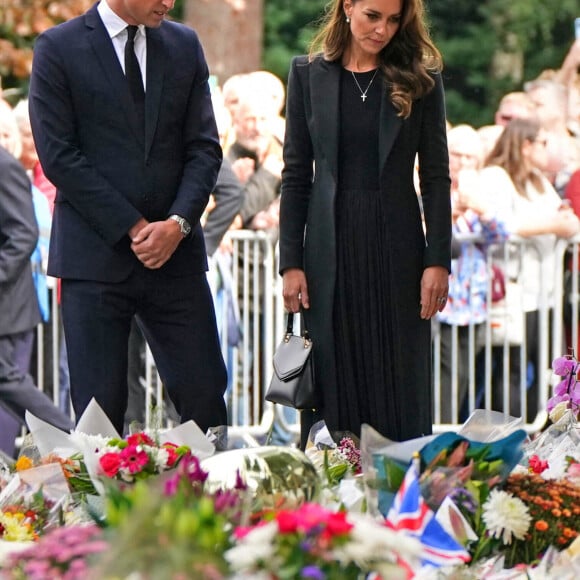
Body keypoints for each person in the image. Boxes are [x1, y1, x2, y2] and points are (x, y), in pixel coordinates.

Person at [28, 0, 228, 446]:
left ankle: (214, 508)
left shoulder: (183, 43)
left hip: (176, 258)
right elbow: (59, 156)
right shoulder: (57, 47)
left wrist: (176, 224)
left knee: (205, 397)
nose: (169, 2)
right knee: (99, 416)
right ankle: (103, 515)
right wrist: (136, 227)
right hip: (94, 259)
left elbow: (204, 147)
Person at [279, 0, 452, 445]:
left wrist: (438, 261)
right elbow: (296, 175)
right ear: (348, 6)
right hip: (328, 250)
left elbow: (435, 178)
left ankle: (401, 492)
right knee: (334, 379)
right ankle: (332, 493)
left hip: (398, 250)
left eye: (394, 20)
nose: (383, 30)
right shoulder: (307, 73)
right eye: (373, 16)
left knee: (398, 374)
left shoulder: (422, 80)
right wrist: (290, 262)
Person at [478, 117, 580, 419]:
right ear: (526, 146)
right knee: (512, 366)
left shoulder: (538, 181)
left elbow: (568, 225)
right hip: (514, 290)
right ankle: (505, 429)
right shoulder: (495, 177)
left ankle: (539, 431)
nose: (547, 150)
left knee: (549, 367)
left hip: (545, 291)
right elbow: (498, 225)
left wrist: (563, 222)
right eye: (543, 143)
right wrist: (551, 225)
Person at [0, 99, 74, 457]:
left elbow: (23, 234)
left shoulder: (4, 166)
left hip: (7, 306)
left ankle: (73, 443)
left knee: (10, 382)